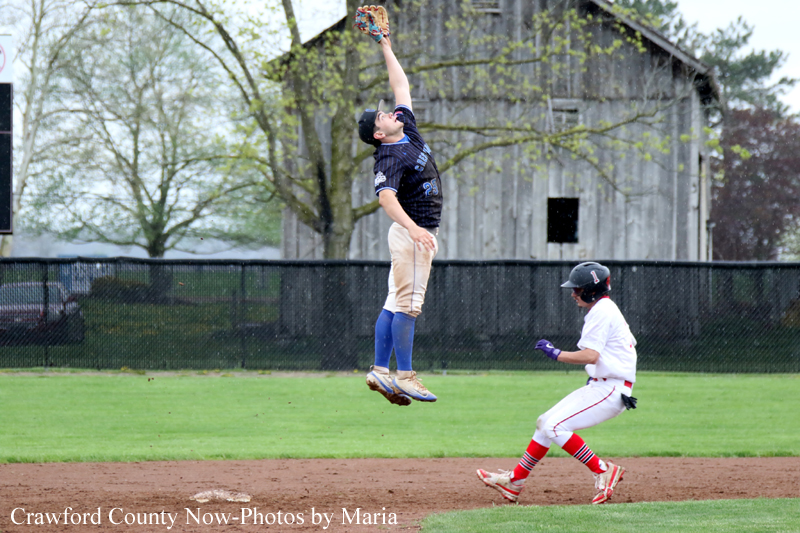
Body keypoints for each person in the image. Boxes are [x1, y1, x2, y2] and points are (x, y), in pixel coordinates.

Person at [477, 262, 638, 504]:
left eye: (578, 289)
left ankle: (604, 471)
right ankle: (514, 482)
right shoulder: (604, 309)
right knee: (544, 423)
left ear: (592, 290)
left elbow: (591, 355)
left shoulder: (602, 311)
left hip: (611, 388)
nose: (573, 294)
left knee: (554, 426)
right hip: (603, 385)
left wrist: (556, 353)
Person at [357, 33, 442, 405]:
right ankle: (405, 376)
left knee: (395, 302)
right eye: (382, 116)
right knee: (409, 304)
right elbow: (387, 199)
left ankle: (379, 369)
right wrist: (414, 229)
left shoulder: (405, 128)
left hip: (413, 234)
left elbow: (400, 84)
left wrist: (385, 46)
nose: (390, 112)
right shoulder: (388, 157)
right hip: (411, 234)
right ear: (379, 133)